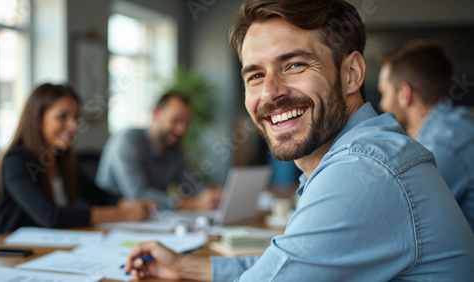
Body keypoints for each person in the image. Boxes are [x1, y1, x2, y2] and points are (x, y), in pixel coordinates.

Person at [124, 0, 474, 281]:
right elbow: (287, 262)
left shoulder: (363, 170)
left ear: (351, 74)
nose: (270, 93)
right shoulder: (357, 157)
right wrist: (187, 268)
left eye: (293, 65)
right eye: (256, 75)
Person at [0, 83, 150, 234]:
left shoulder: (59, 158)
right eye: (62, 116)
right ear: (38, 119)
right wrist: (122, 214)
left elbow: (100, 196)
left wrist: (127, 204)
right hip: (17, 253)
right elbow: (51, 216)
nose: (74, 126)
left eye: (75, 117)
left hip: (54, 246)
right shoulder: (15, 161)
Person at [378, 41, 474, 232]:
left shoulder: (442, 145)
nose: (382, 105)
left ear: (404, 94)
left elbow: (396, 222)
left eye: (384, 93)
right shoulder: (451, 128)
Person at [96, 93, 222, 210]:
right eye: (176, 120)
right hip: (109, 218)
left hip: (148, 222)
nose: (182, 130)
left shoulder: (174, 149)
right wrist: (192, 204)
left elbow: (190, 184)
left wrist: (214, 195)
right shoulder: (127, 143)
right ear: (156, 113)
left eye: (186, 123)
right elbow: (138, 195)